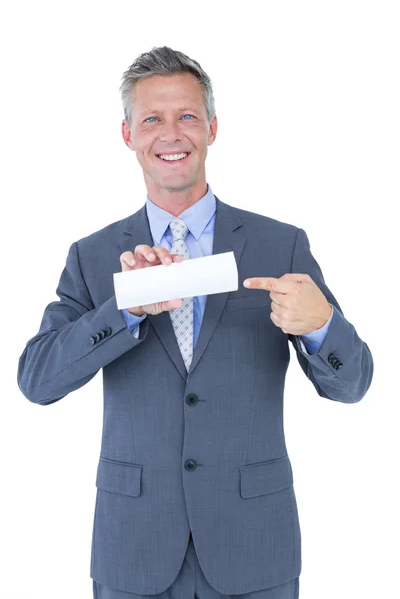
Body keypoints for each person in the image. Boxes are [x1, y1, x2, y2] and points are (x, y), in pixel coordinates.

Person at [17, 46, 374, 599]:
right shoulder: (91, 256)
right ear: (127, 135)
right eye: (151, 119)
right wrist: (126, 308)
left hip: (254, 545)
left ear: (211, 127)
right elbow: (36, 380)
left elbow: (352, 384)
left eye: (186, 116)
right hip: (134, 549)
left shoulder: (281, 244)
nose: (171, 133)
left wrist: (321, 325)